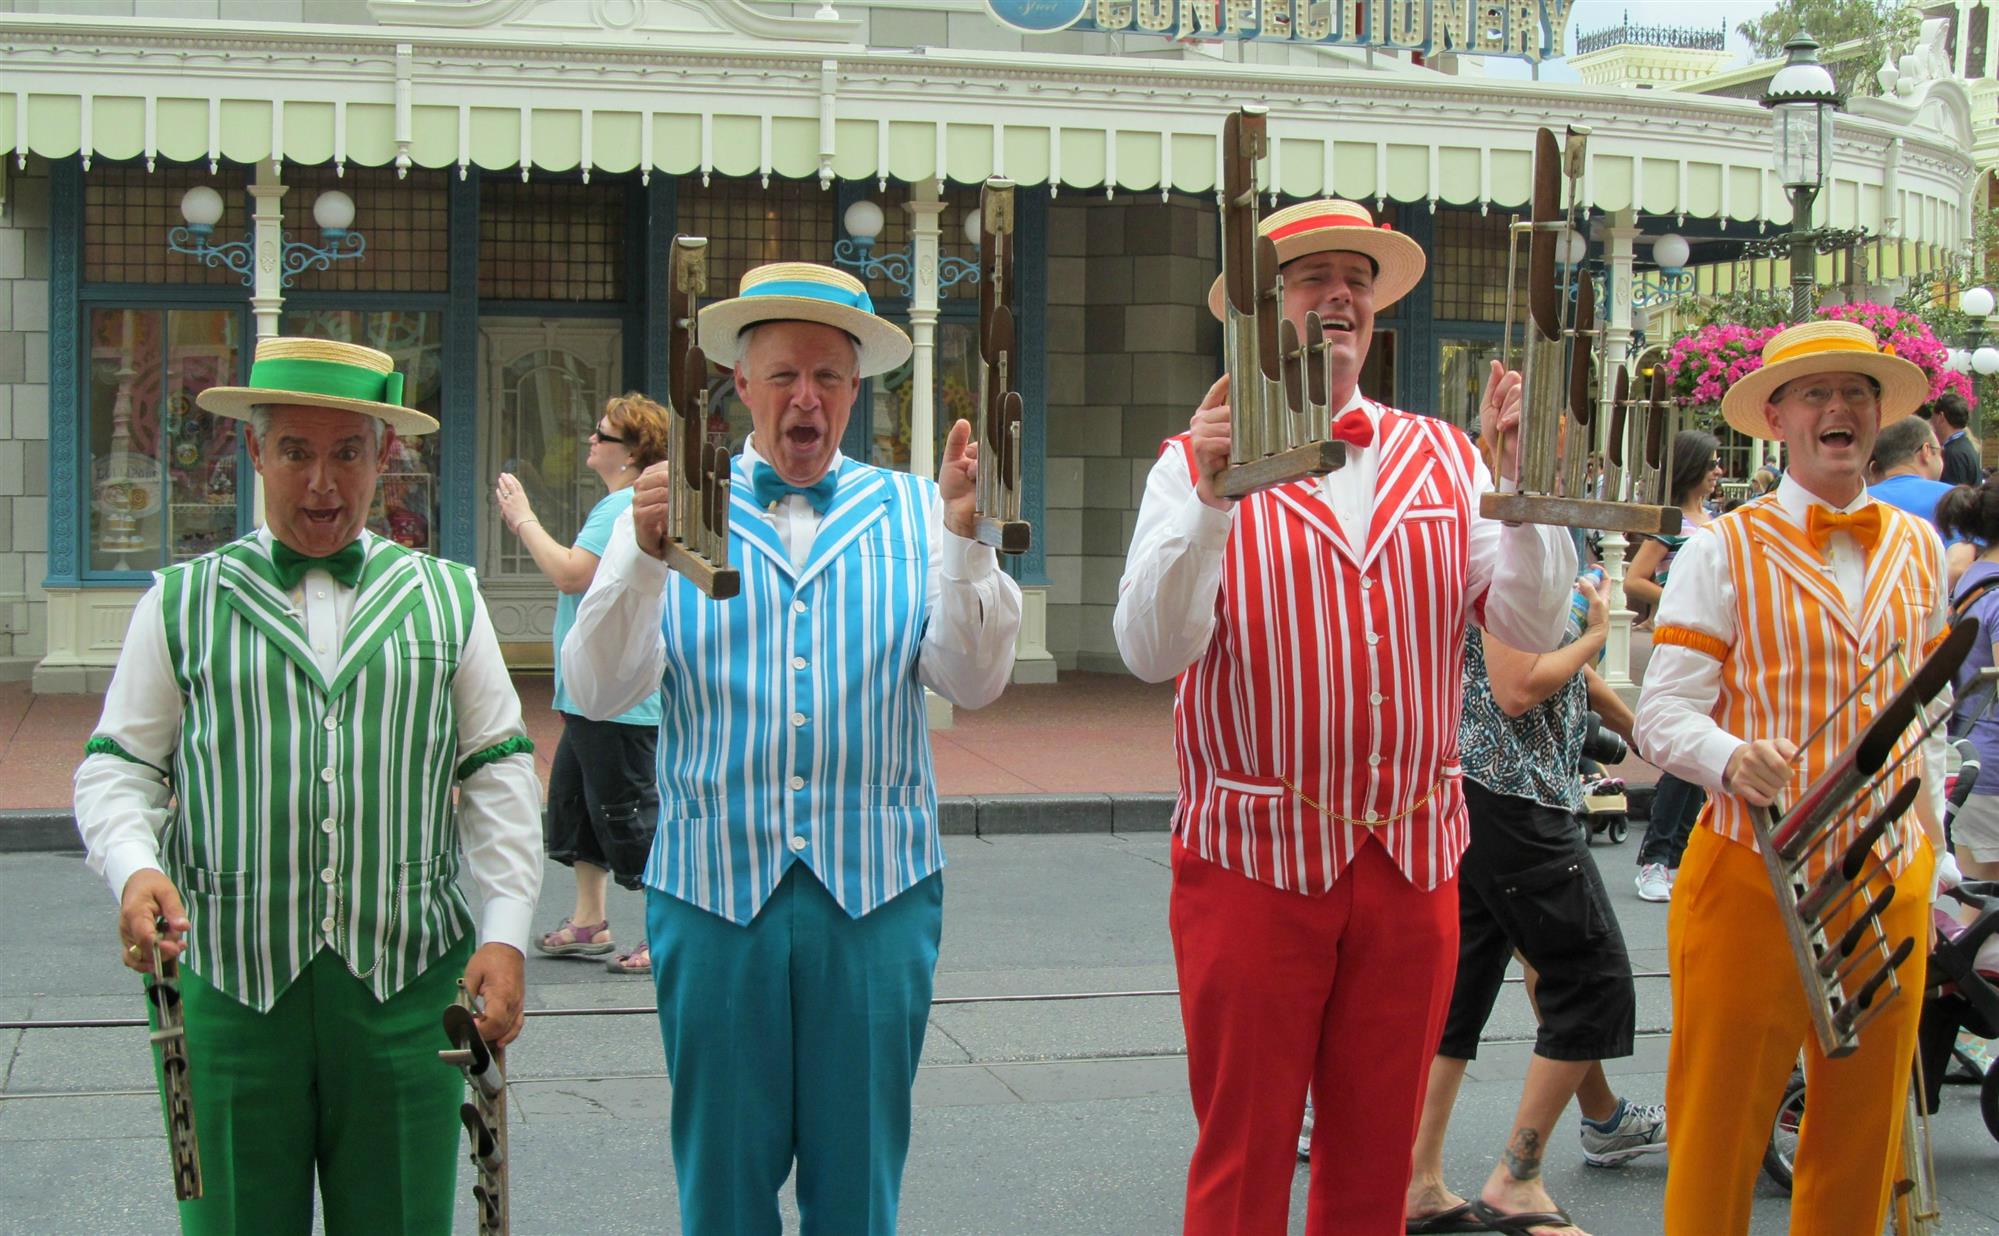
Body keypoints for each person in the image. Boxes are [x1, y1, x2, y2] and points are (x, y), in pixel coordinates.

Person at [1114, 197, 1578, 1235]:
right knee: (1242, 1155)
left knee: (1376, 1163)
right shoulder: (1188, 462)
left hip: (1412, 856)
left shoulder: (1446, 455)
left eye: (1355, 281)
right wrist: (1209, 499)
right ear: (1261, 310)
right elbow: (1149, 650)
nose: (1338, 297)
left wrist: (1522, 493)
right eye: (1310, 278)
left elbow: (1527, 619)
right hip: (1251, 858)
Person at [561, 261, 1022, 1235]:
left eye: (827, 377)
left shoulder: (915, 511)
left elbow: (973, 681)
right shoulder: (675, 508)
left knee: (858, 1187)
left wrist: (966, 543)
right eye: (783, 376)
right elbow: (598, 691)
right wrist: (639, 562)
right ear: (741, 384)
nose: (805, 398)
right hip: (713, 895)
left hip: (875, 895)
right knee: (723, 1187)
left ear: (855, 391)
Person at [72, 336, 543, 1234]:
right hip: (230, 990)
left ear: (383, 455)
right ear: (254, 452)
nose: (322, 483)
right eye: (296, 452)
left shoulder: (447, 598)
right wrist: (134, 867)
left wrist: (507, 931)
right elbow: (119, 765)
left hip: (407, 992)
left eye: (347, 453)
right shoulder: (181, 601)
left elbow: (496, 772)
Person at [1633, 319, 1946, 1236]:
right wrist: (1730, 757)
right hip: (1750, 877)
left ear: (1877, 413)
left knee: (1863, 1134)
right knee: (1719, 1128)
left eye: (1854, 392)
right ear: (1775, 419)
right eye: (1814, 393)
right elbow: (1661, 714)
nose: (1837, 408)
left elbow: (1921, 716)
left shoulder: (1918, 546)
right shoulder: (1720, 549)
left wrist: (1930, 859)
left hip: (1886, 876)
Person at [1405, 575, 1662, 1236]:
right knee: (1593, 981)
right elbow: (1517, 688)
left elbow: (1564, 674)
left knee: (1464, 986)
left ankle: (1417, 1181)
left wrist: (1644, 732)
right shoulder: (1514, 545)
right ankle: (1516, 1180)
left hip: (1485, 790)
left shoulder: (1534, 546)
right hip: (1514, 791)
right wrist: (1598, 636)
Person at [496, 393, 670, 975]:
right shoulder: (627, 503)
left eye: (603, 435)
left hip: (616, 699)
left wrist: (522, 519)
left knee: (628, 812)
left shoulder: (621, 505)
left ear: (632, 451)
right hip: (592, 694)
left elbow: (572, 575)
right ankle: (589, 921)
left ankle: (666, 930)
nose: (590, 441)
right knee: (576, 805)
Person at [1625, 430, 1722, 903]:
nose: (1718, 471)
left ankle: (1677, 856)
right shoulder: (1671, 523)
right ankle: (1657, 858)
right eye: (1711, 463)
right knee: (1686, 753)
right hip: (1682, 646)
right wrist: (1682, 599)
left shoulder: (1718, 522)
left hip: (1718, 650)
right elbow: (1634, 579)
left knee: (1703, 758)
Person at [1869, 413, 1977, 586]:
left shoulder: (1860, 500)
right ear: (1926, 451)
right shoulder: (1953, 497)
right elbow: (1958, 565)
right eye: (1940, 451)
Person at [1929, 391, 1982, 486]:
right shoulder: (1966, 445)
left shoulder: (1952, 453)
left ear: (1941, 418)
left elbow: (1953, 493)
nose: (1930, 422)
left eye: (1932, 416)